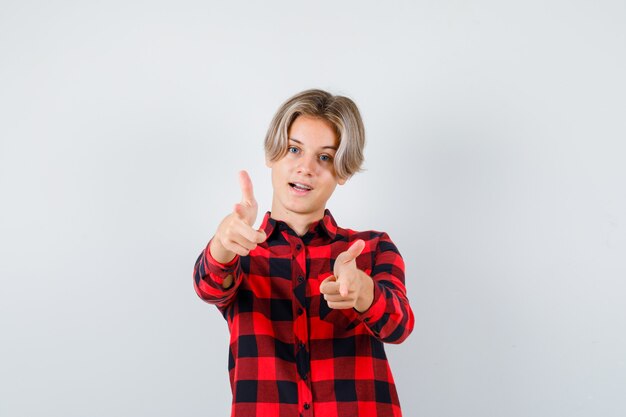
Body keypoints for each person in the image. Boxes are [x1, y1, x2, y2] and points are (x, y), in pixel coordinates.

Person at [193, 89, 414, 417]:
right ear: (272, 155)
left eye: (324, 157)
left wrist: (362, 291)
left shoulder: (372, 248)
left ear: (343, 172)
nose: (305, 167)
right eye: (294, 149)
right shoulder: (243, 250)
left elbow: (399, 326)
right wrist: (222, 245)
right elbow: (208, 285)